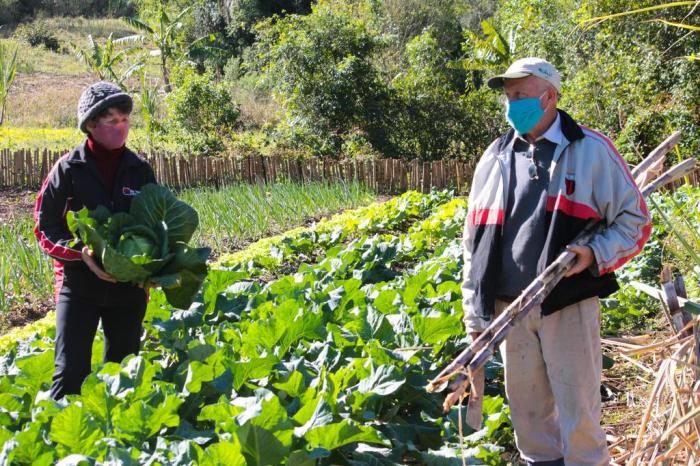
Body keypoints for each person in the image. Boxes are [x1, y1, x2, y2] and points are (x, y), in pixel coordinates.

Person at [461, 58, 650, 466]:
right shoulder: (494, 157)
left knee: (579, 420)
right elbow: (472, 242)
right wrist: (473, 310)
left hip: (566, 305)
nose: (512, 105)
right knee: (530, 423)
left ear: (550, 97)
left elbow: (635, 221)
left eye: (521, 96)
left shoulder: (590, 150)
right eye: (509, 97)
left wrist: (594, 253)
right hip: (508, 311)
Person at [34, 81, 156, 399]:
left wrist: (152, 269)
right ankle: (64, 445)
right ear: (91, 125)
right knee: (70, 374)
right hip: (79, 287)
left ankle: (119, 446)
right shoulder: (67, 170)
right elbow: (45, 228)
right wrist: (82, 254)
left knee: (124, 375)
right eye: (112, 121)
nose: (121, 128)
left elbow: (159, 227)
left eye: (125, 120)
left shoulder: (140, 170)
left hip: (129, 288)